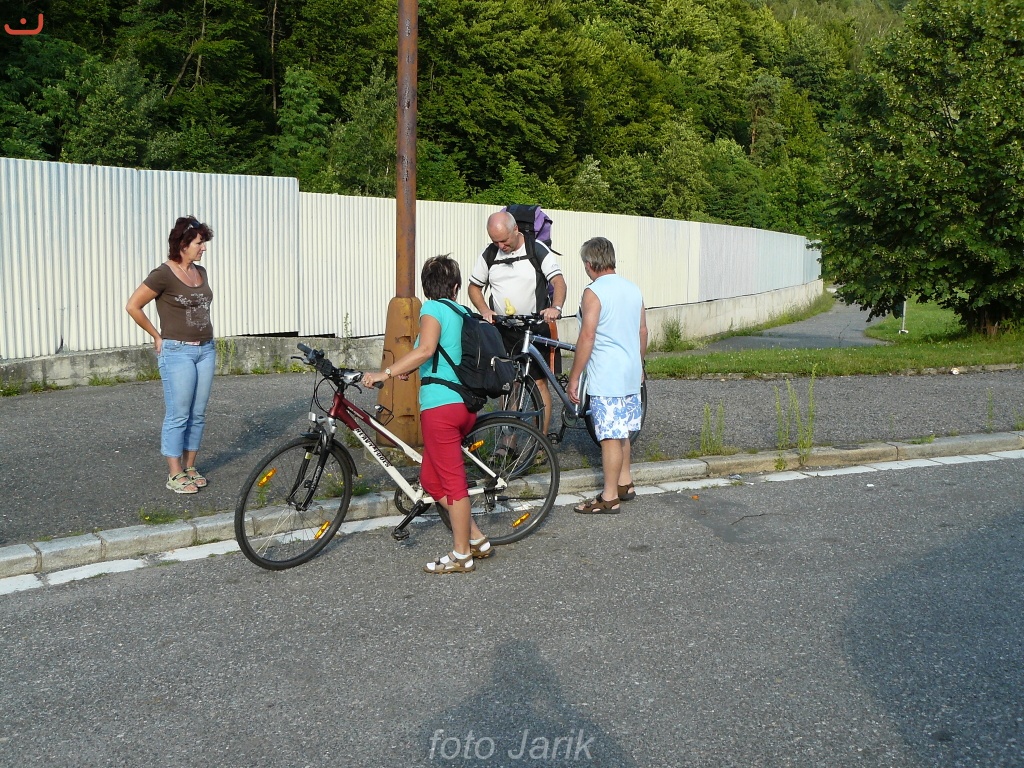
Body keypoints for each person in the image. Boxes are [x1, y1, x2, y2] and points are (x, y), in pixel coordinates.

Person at [363, 255, 492, 574]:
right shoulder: (462, 312)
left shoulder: (433, 309)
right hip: (464, 405)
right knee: (432, 482)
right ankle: (477, 539)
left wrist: (385, 373)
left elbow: (425, 350)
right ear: (457, 286)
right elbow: (435, 355)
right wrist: (409, 368)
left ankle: (462, 555)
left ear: (425, 287)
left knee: (453, 484)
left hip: (441, 409)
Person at [126, 216, 216, 495]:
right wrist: (157, 336)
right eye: (199, 243)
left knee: (197, 413)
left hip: (206, 349)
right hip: (177, 351)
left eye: (204, 243)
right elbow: (133, 306)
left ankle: (190, 467)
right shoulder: (163, 274)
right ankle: (175, 473)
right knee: (179, 414)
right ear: (183, 244)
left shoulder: (201, 272)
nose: (204, 248)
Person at [468, 210, 568, 436]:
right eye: (495, 241)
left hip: (536, 327)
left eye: (504, 240)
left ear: (516, 229)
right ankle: (507, 444)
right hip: (504, 330)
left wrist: (556, 308)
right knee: (508, 384)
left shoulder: (536, 249)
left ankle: (541, 442)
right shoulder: (490, 254)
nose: (501, 246)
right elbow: (474, 287)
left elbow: (558, 281)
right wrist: (485, 310)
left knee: (539, 384)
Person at [567, 237, 647, 514]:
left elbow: (587, 336)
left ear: (589, 263)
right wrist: (639, 364)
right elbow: (642, 331)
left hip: (607, 372)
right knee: (622, 431)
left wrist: (574, 376)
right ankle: (625, 483)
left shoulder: (594, 292)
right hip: (630, 370)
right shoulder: (633, 289)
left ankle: (609, 496)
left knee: (610, 436)